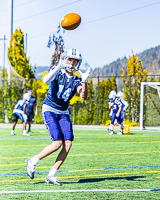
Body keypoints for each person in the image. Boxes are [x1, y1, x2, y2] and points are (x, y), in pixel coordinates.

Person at [25, 48, 91, 185]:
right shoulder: (58, 70)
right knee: (57, 143)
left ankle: (51, 174)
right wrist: (58, 67)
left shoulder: (77, 79)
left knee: (68, 143)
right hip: (50, 109)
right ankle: (32, 161)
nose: (72, 64)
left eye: (75, 61)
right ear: (65, 59)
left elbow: (83, 96)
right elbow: (45, 80)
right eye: (70, 60)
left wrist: (84, 82)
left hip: (63, 112)